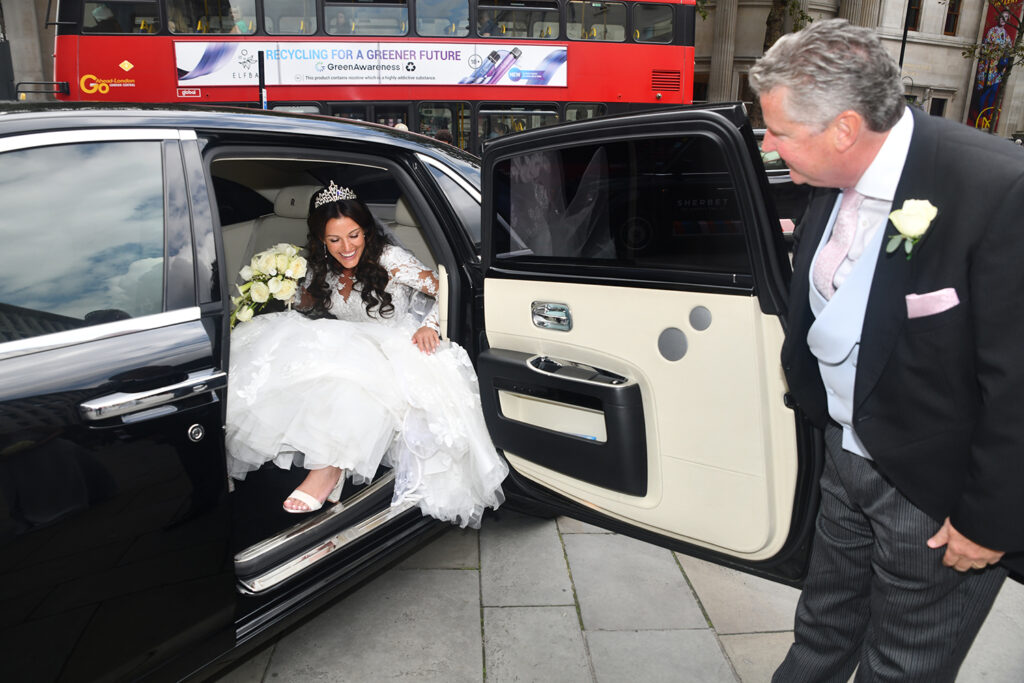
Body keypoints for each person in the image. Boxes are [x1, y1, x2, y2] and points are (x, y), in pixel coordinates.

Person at [749, 19, 1024, 681]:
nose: (767, 143)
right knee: (820, 630)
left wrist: (987, 522)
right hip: (846, 462)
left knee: (904, 664)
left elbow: (1018, 381)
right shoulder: (827, 179)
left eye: (779, 131)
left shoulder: (998, 189)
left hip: (937, 496)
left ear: (844, 127)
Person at [225, 182, 508, 527]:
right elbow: (314, 306)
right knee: (272, 360)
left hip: (394, 347)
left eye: (354, 235)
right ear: (320, 241)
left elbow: (444, 288)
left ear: (366, 230)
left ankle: (327, 470)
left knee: (349, 385)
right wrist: (289, 289)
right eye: (334, 240)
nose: (346, 248)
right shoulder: (318, 264)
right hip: (347, 341)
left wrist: (430, 326)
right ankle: (325, 462)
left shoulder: (390, 258)